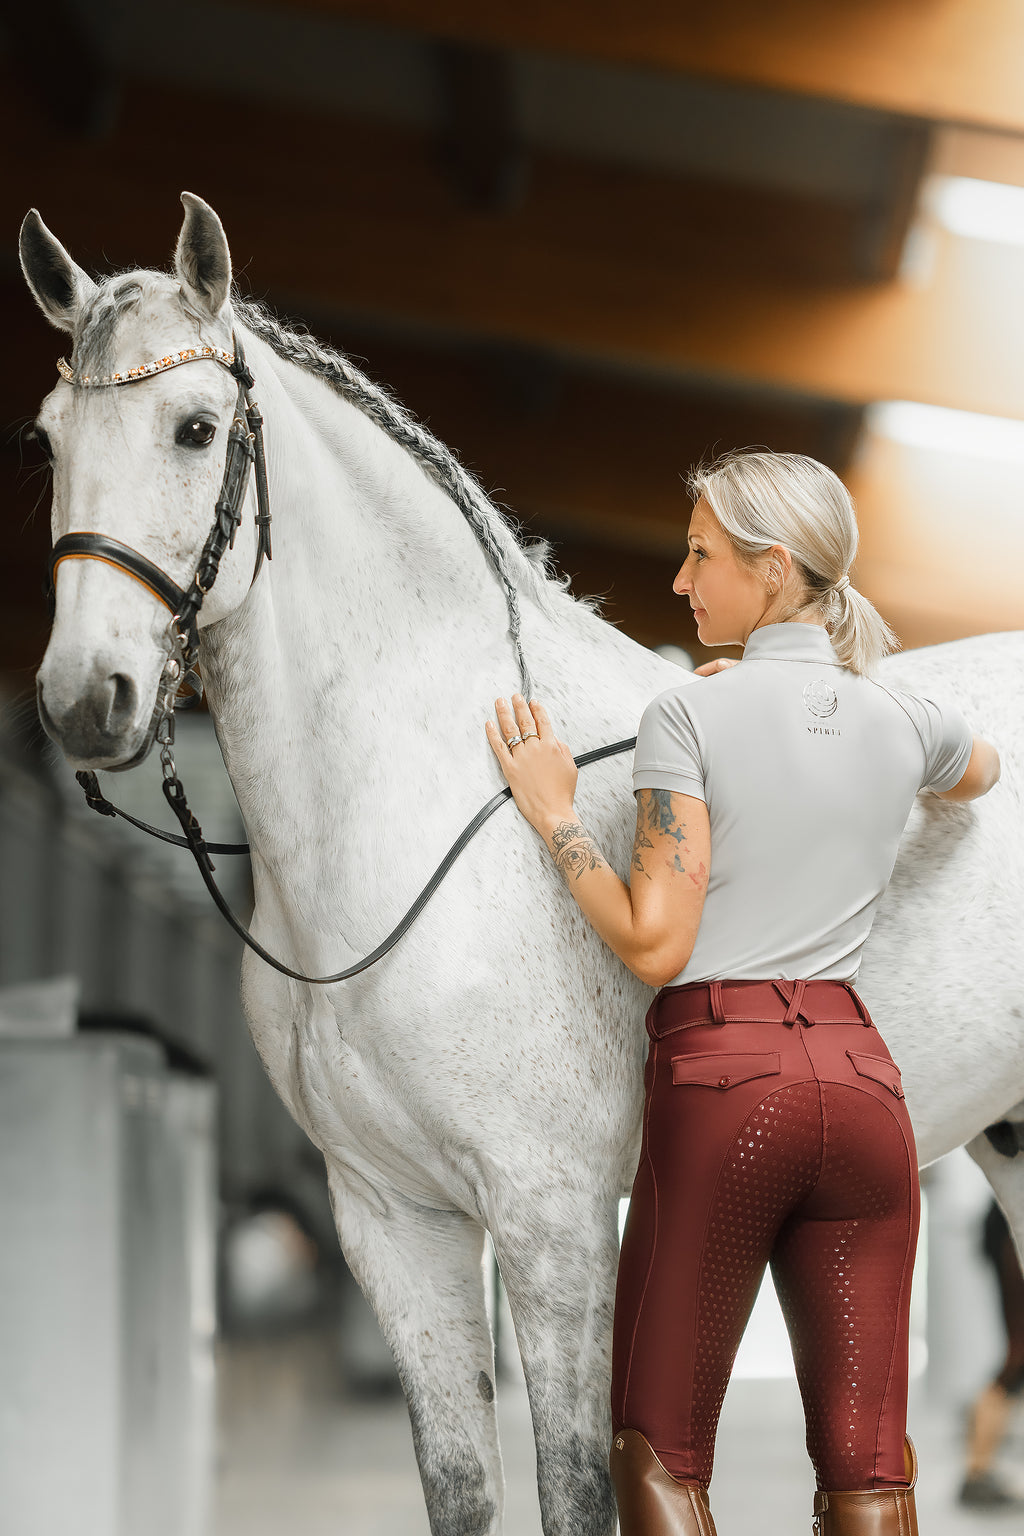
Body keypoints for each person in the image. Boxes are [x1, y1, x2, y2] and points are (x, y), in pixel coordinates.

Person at [484, 449, 1001, 1536]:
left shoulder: (690, 716)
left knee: (659, 1454)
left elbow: (654, 941)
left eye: (701, 555)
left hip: (728, 1090)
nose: (681, 582)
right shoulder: (898, 718)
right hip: (865, 1098)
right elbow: (982, 771)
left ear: (771, 571)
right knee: (867, 1468)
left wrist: (556, 814)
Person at [959, 1200, 1024, 1508]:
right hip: (1013, 1224)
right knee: (1018, 1358)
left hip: (1007, 1221)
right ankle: (977, 1472)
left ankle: (978, 1471)